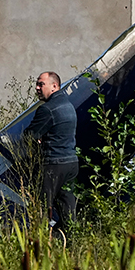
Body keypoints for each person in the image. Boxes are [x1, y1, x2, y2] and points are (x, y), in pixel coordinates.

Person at [23, 71, 78, 231]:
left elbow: (29, 135)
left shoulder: (48, 109)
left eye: (41, 84)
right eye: (37, 84)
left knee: (42, 208)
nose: (37, 88)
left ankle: (41, 243)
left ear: (54, 86)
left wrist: (37, 139)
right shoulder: (69, 106)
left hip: (54, 164)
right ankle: (72, 243)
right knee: (68, 208)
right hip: (71, 163)